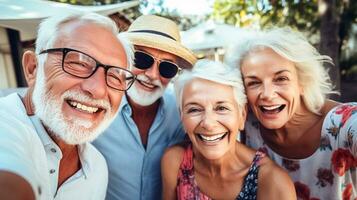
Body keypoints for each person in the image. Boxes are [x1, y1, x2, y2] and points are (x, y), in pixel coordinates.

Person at [0, 12, 135, 200]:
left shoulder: (96, 167)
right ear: (33, 68)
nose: (97, 90)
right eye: (78, 63)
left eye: (114, 76)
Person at [225, 27, 357, 199]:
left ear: (302, 82)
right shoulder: (244, 124)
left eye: (281, 79)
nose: (267, 94)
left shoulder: (345, 123)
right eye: (253, 83)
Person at [93, 15, 197, 200]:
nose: (152, 75)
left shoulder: (182, 111)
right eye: (141, 59)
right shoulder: (96, 106)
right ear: (123, 58)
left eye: (167, 68)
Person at [161, 59, 296, 200]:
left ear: (242, 115)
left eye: (221, 108)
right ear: (182, 116)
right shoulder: (175, 161)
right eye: (194, 109)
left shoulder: (272, 182)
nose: (208, 123)